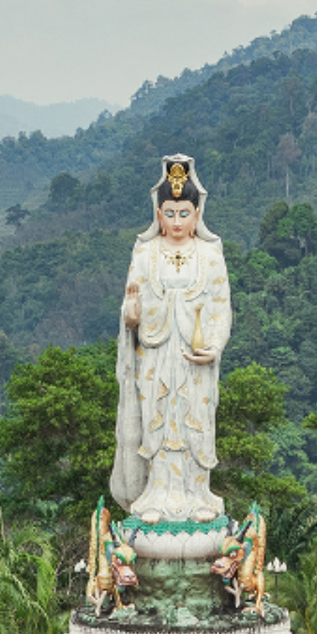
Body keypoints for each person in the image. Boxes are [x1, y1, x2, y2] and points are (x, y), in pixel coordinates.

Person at [110, 155, 231, 526]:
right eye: (169, 213)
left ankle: (197, 494)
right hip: (155, 353)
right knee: (157, 423)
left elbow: (221, 306)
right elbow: (133, 306)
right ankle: (157, 493)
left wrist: (214, 345)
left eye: (184, 213)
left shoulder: (210, 254)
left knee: (195, 420)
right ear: (158, 214)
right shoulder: (145, 253)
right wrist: (130, 317)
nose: (177, 222)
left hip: (196, 362)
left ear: (197, 214)